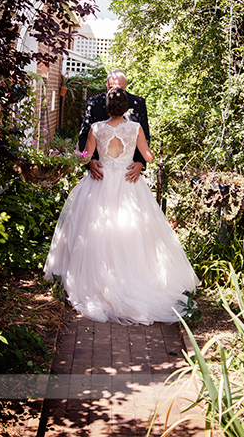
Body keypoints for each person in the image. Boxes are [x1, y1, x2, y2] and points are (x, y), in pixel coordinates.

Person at [44, 87, 200, 325]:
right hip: (129, 184)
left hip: (101, 183)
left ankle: (100, 284)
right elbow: (148, 157)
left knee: (97, 232)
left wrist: (86, 156)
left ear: (106, 107)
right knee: (132, 230)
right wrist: (138, 155)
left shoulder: (96, 128)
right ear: (126, 107)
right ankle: (135, 279)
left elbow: (86, 156)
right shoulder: (135, 128)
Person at [78, 69, 149, 184]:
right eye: (110, 87)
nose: (115, 91)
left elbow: (144, 135)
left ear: (126, 85)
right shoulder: (93, 103)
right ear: (106, 83)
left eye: (121, 88)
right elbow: (84, 134)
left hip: (129, 173)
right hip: (100, 173)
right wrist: (89, 161)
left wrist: (140, 163)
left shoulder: (138, 103)